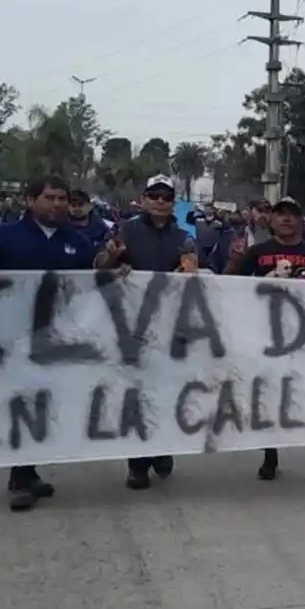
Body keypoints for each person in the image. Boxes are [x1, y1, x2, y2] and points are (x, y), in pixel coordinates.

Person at [0, 175, 102, 512]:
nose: (58, 204)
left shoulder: (76, 242)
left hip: (56, 337)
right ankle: (20, 477)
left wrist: (108, 268)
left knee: (45, 405)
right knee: (21, 404)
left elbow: (91, 283)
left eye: (62, 198)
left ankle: (29, 469)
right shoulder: (3, 238)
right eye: (49, 197)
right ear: (29, 200)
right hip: (12, 335)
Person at [224, 196, 305, 485]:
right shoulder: (256, 252)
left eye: (292, 214)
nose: (286, 219)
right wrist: (237, 258)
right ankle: (269, 457)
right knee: (269, 397)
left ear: (300, 220)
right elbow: (227, 284)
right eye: (280, 214)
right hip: (266, 339)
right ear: (271, 219)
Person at [95, 175, 197, 490]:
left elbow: (193, 270)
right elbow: (99, 266)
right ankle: (137, 463)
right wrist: (113, 259)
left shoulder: (185, 236)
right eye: (154, 195)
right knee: (136, 394)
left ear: (173, 202)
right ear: (143, 198)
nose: (160, 202)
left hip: (170, 325)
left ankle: (162, 448)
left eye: (167, 197)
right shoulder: (125, 230)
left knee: (165, 392)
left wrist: (190, 271)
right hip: (132, 326)